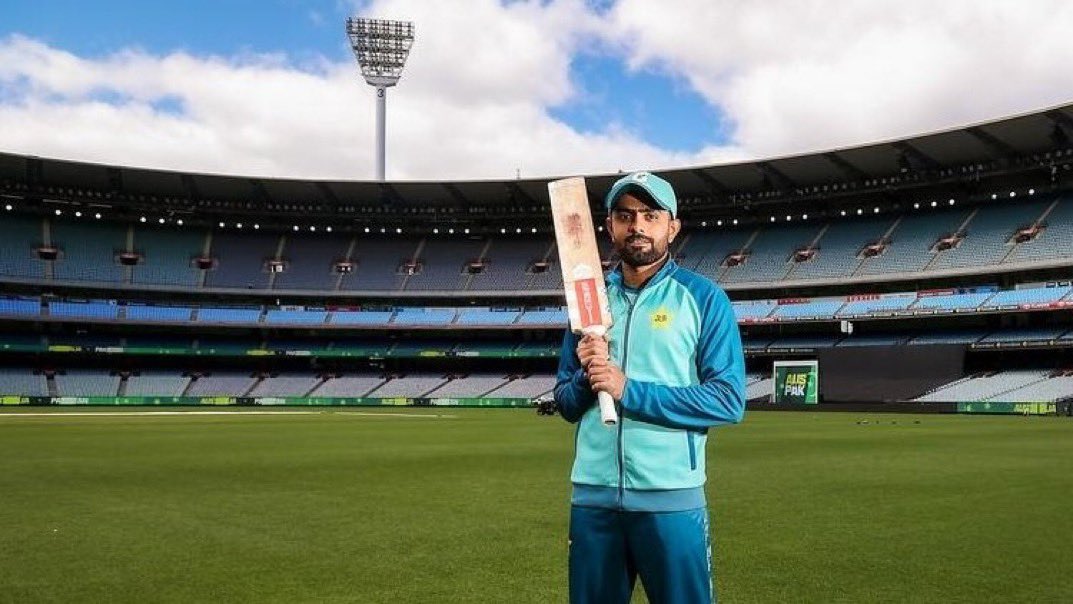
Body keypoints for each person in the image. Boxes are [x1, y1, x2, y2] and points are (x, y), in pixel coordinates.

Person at [554, 171, 746, 604]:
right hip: (593, 500)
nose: (637, 226)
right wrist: (589, 378)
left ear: (671, 226)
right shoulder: (589, 301)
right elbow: (565, 402)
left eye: (650, 215)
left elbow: (728, 400)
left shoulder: (703, 298)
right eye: (625, 216)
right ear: (610, 227)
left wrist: (628, 389)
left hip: (670, 499)